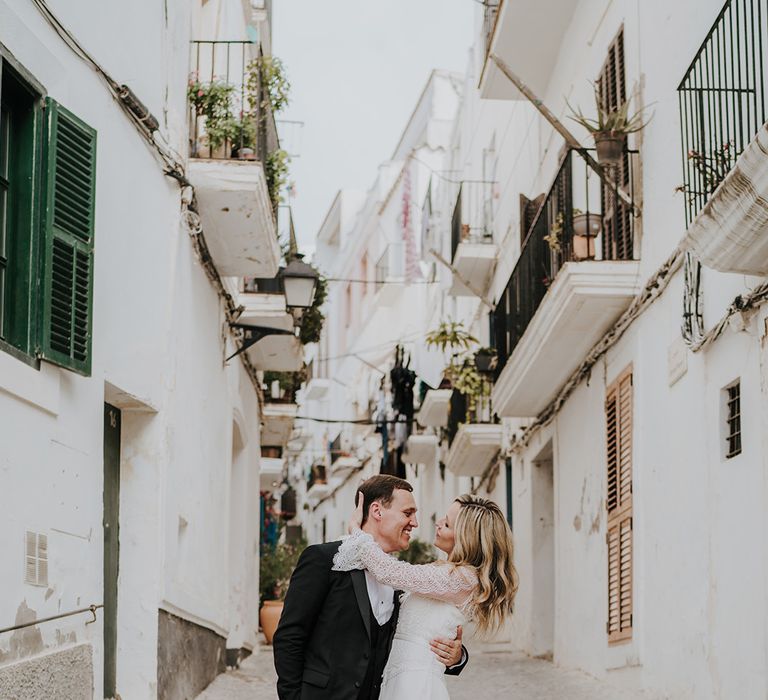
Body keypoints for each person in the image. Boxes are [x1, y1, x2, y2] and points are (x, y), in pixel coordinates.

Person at [273, 475, 468, 699]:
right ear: (377, 511)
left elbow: (413, 637)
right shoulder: (323, 559)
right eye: (408, 513)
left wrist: (458, 655)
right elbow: (290, 636)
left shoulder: (399, 577)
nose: (415, 523)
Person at [332, 491, 519, 700]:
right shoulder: (444, 572)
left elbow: (391, 572)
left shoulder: (463, 579)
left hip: (416, 684)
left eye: (447, 524)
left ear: (466, 539)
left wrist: (357, 532)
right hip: (395, 679)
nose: (437, 523)